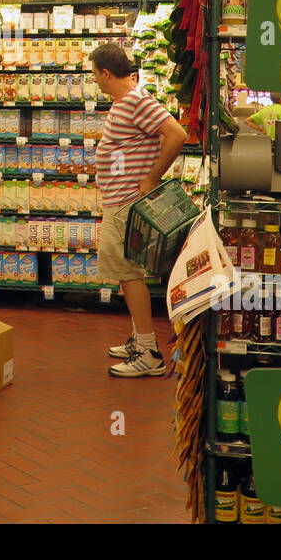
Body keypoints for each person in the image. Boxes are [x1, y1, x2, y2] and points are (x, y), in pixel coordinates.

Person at [90, 43, 188, 377]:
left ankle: (149, 353)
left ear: (106, 72)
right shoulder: (124, 102)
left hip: (128, 202)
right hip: (118, 202)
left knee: (130, 274)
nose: (95, 81)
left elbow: (177, 134)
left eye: (95, 74)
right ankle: (138, 337)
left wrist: (152, 177)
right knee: (125, 272)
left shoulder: (136, 100)